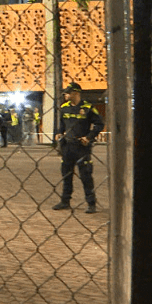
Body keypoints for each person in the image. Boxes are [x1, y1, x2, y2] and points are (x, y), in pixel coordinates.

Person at [52, 82, 104, 214]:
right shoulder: (64, 108)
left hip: (82, 146)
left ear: (76, 93)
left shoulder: (88, 108)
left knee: (86, 176)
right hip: (68, 147)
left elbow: (99, 124)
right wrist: (59, 133)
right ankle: (65, 201)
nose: (65, 95)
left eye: (68, 93)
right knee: (66, 175)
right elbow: (62, 125)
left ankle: (91, 203)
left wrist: (89, 137)